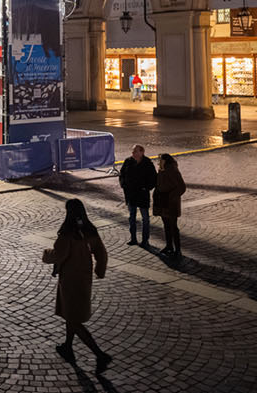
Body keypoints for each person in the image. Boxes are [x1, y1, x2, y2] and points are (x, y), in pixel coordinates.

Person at [44, 198, 111, 372]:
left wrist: (46, 254)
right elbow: (101, 253)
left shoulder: (67, 234)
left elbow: (59, 255)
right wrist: (99, 270)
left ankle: (100, 355)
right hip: (84, 277)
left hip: (70, 279)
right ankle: (67, 346)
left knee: (73, 319)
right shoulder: (89, 230)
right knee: (70, 314)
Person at [118, 145, 157, 247]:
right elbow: (122, 175)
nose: (133, 153)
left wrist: (146, 187)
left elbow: (153, 178)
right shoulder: (128, 161)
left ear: (142, 152)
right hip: (131, 195)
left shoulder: (147, 163)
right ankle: (133, 239)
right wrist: (124, 185)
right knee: (132, 217)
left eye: (136, 151)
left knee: (145, 218)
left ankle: (145, 240)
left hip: (142, 195)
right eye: (133, 151)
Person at [151, 153, 186, 259]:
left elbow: (182, 187)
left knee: (173, 227)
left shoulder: (173, 170)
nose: (159, 162)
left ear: (165, 161)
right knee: (166, 226)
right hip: (162, 202)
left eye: (160, 160)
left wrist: (171, 196)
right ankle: (169, 246)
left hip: (170, 204)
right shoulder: (161, 170)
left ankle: (178, 250)